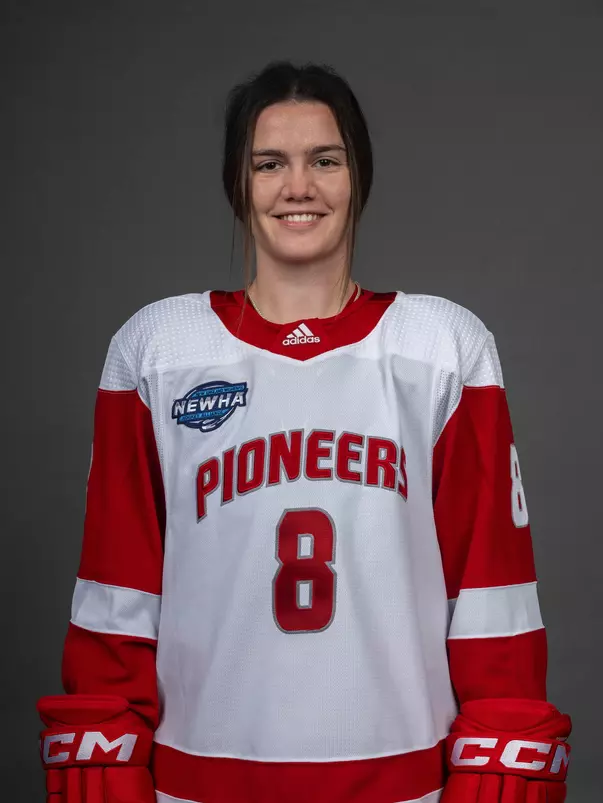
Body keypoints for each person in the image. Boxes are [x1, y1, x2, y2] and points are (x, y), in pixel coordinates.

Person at [37, 61, 572, 803]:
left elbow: (490, 595)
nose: (298, 186)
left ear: (358, 177)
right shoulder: (158, 351)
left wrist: (501, 750)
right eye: (269, 164)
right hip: (197, 784)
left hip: (403, 785)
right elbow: (115, 597)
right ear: (238, 182)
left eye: (325, 160)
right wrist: (106, 753)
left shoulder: (443, 347)